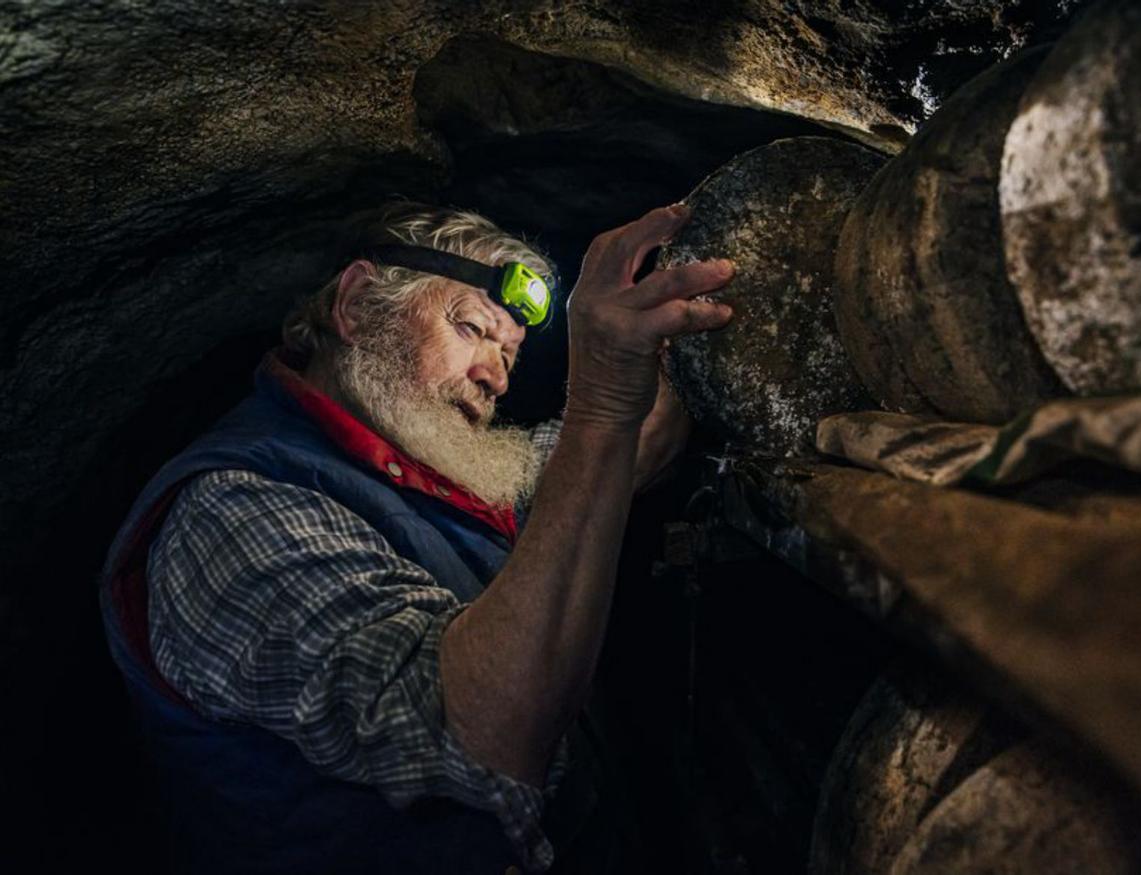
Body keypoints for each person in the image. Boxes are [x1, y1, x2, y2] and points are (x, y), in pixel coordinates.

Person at [99, 202, 735, 874]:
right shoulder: (233, 512)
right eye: (473, 328)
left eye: (509, 354)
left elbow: (596, 468)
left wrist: (665, 355)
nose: (497, 376)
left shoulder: (427, 478)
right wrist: (601, 404)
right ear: (358, 304)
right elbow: (485, 731)